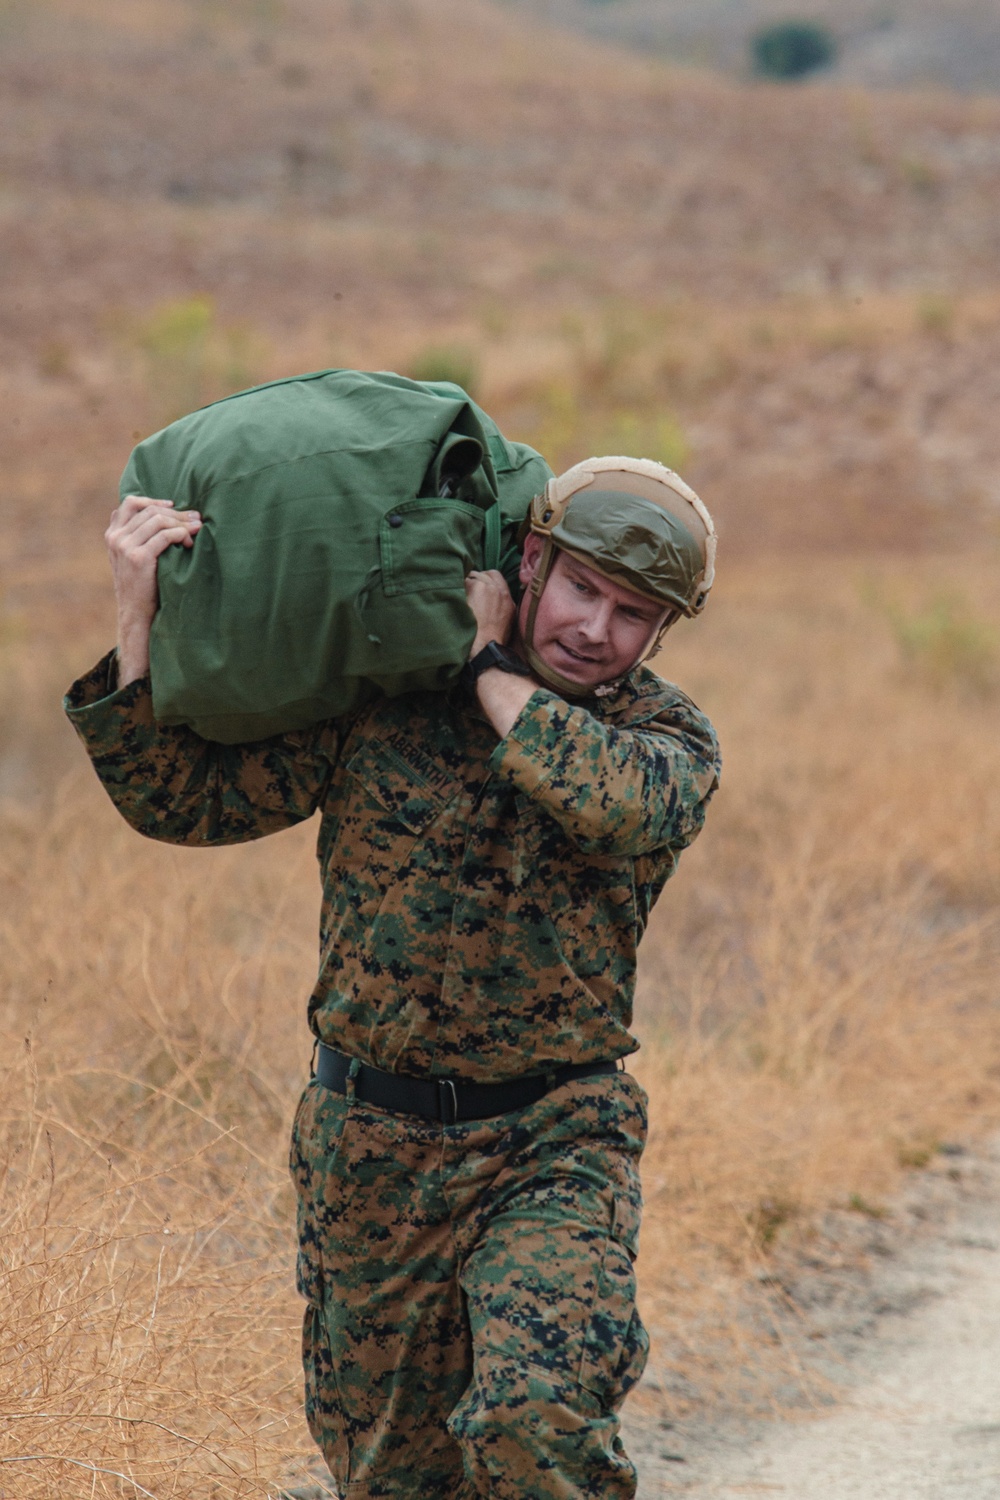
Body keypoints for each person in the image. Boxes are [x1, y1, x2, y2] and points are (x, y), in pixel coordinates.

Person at [65, 454, 721, 1500]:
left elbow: (617, 803)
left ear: (662, 634)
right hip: (367, 1151)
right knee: (391, 1479)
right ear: (531, 561)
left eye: (634, 613)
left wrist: (484, 666)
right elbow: (183, 806)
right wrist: (137, 619)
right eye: (581, 589)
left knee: (534, 1421)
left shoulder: (662, 740)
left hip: (553, 1139)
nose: (597, 628)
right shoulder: (387, 700)